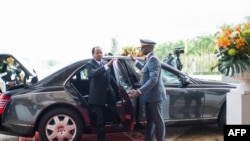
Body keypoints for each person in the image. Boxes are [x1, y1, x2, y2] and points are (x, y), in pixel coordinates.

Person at [128, 39, 167, 141]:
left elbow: (153, 79)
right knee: (151, 122)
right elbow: (144, 69)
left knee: (158, 122)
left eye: (144, 47)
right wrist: (134, 60)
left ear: (150, 47)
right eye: (142, 47)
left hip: (154, 96)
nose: (142, 49)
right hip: (149, 96)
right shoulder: (149, 59)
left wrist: (139, 91)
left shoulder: (154, 59)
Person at [86, 46, 120, 141]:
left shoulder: (105, 63)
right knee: (100, 121)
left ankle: (118, 124)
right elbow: (94, 73)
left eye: (101, 52)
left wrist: (120, 87)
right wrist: (107, 66)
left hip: (108, 94)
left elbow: (110, 78)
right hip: (97, 97)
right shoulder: (90, 64)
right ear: (93, 54)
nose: (100, 54)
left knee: (115, 111)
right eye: (98, 52)